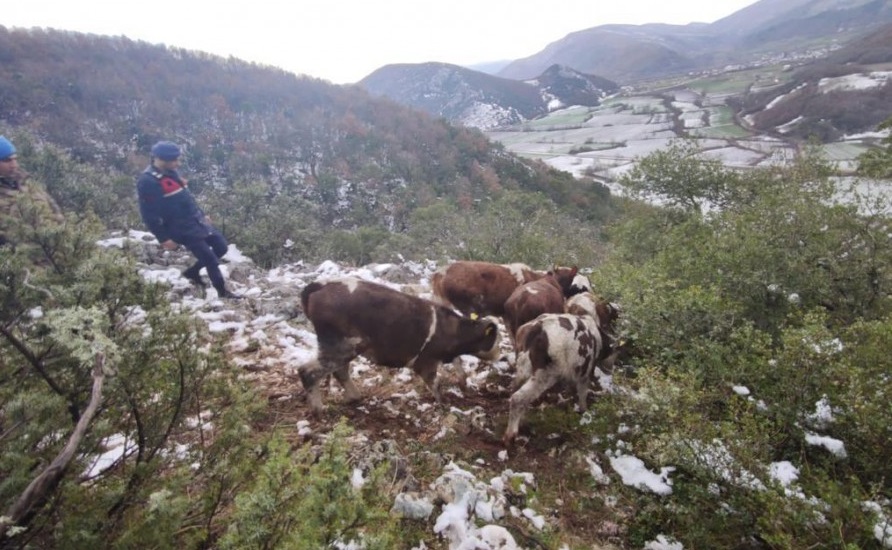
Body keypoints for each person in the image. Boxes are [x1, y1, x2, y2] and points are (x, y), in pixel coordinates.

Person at [136, 140, 240, 299]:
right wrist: (163, 238)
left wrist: (202, 213)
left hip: (197, 220)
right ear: (162, 159)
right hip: (181, 228)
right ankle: (223, 292)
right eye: (175, 160)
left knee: (221, 247)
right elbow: (148, 213)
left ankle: (192, 272)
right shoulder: (148, 181)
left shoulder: (170, 172)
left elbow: (186, 197)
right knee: (210, 259)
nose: (178, 163)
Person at [0, 135, 65, 255]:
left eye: (15, 159)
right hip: (19, 265)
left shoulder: (30, 185)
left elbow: (56, 213)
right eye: (7, 160)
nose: (14, 164)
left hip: (53, 258)